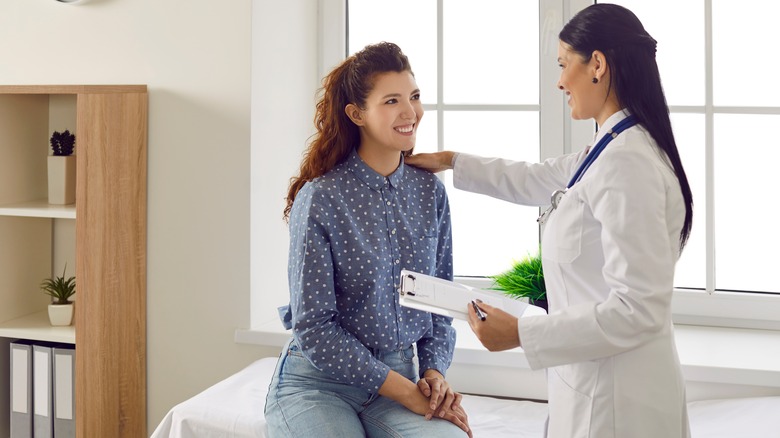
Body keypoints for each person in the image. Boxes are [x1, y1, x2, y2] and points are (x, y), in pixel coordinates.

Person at [405, 4, 693, 438]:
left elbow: (638, 311)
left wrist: (523, 332)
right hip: (591, 385)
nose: (560, 81)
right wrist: (450, 161)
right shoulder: (610, 144)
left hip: (618, 405)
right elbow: (537, 178)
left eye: (563, 65)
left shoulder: (629, 162)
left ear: (596, 64)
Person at [264, 41, 471, 438]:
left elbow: (439, 302)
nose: (410, 112)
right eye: (392, 100)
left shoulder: (430, 193)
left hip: (402, 380)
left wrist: (433, 375)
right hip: (318, 385)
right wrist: (407, 393)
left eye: (414, 96)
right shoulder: (321, 198)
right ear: (357, 114)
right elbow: (315, 329)